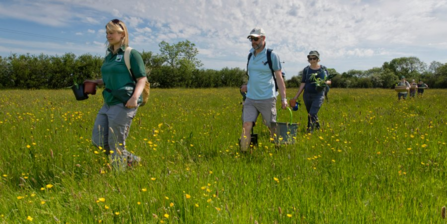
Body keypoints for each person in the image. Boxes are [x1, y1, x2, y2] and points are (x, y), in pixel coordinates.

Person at [85, 19, 147, 168]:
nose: (108, 36)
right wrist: (95, 82)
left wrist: (134, 98)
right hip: (108, 101)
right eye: (107, 33)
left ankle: (119, 177)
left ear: (122, 34)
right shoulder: (109, 57)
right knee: (98, 141)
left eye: (112, 32)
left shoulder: (131, 54)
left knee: (116, 144)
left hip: (124, 102)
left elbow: (142, 78)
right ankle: (132, 160)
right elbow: (110, 78)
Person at [240, 27, 287, 151]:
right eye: (251, 39)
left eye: (255, 39)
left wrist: (284, 98)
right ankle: (243, 153)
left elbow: (279, 78)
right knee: (246, 125)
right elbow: (253, 76)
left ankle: (277, 150)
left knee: (271, 127)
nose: (253, 42)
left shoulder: (272, 55)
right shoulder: (250, 55)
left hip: (267, 98)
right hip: (250, 98)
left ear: (263, 38)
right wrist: (247, 86)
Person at [291, 51, 330, 133]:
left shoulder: (323, 69)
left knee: (312, 113)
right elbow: (303, 83)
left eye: (314, 58)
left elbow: (329, 81)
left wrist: (323, 82)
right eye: (310, 58)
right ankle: (318, 127)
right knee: (310, 114)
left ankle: (310, 131)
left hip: (319, 94)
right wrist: (296, 97)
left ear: (318, 59)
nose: (312, 60)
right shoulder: (306, 70)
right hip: (307, 95)